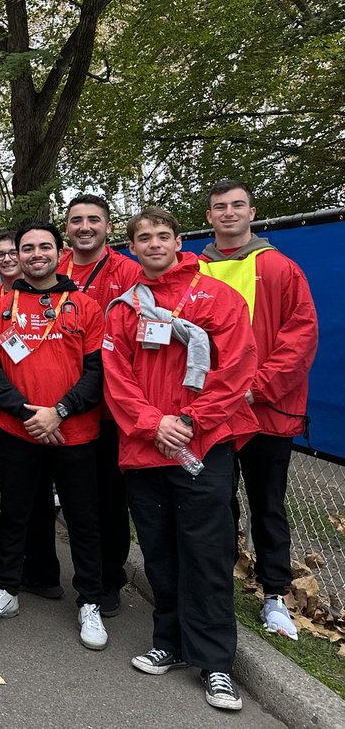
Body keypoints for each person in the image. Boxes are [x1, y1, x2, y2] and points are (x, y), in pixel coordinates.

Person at [103, 207, 258, 712]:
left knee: (207, 553)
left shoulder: (217, 297)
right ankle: (169, 642)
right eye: (143, 237)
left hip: (203, 444)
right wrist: (154, 424)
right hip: (146, 451)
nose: (153, 244)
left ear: (177, 240)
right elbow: (118, 379)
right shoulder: (124, 310)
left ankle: (215, 663)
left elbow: (236, 369)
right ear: (132, 246)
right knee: (161, 554)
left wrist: (190, 421)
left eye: (162, 235)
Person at [0, 222, 108, 650]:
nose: (35, 254)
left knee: (84, 519)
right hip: (19, 431)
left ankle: (90, 601)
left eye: (43, 247)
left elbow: (96, 371)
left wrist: (60, 412)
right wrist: (28, 415)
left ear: (59, 251)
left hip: (76, 432)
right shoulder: (0, 307)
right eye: (27, 248)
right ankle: (6, 590)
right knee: (14, 515)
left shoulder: (85, 306)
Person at [198, 180, 318, 640]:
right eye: (219, 207)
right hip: (212, 415)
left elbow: (299, 338)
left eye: (237, 206)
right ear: (209, 217)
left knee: (268, 505)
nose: (228, 213)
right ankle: (217, 587)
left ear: (252, 212)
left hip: (266, 413)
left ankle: (274, 596)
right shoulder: (194, 270)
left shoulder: (281, 268)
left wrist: (253, 388)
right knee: (216, 504)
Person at [44, 194, 143, 613]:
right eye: (76, 220)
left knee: (108, 498)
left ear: (108, 226)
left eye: (93, 220)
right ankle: (61, 574)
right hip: (60, 404)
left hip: (111, 406)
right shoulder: (54, 265)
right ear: (66, 227)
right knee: (75, 499)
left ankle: (108, 580)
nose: (85, 227)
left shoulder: (129, 270)